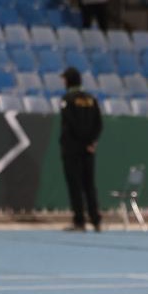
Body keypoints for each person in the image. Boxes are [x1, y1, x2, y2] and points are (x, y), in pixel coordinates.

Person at [60, 67, 103, 232]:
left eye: (64, 79)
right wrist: (91, 142)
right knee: (89, 185)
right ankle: (96, 220)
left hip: (72, 149)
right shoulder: (91, 99)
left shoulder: (67, 99)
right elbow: (99, 123)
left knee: (75, 185)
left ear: (69, 80)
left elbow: (71, 123)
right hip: (88, 149)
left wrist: (81, 142)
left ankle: (79, 221)